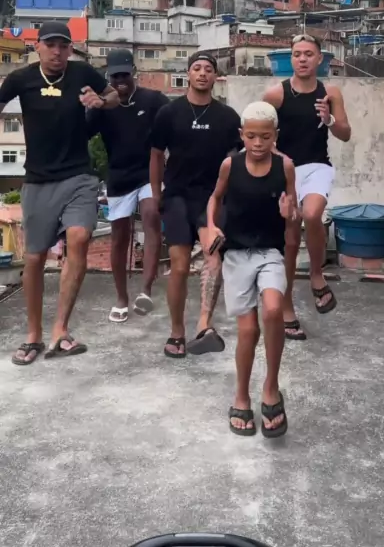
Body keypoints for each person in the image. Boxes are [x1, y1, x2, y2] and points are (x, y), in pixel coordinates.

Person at [0, 21, 120, 366]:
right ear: (37, 46)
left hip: (79, 175)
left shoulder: (82, 72)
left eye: (63, 46)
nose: (56, 51)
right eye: (50, 45)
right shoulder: (21, 78)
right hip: (38, 180)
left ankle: (60, 330)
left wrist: (101, 101)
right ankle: (33, 335)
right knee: (34, 258)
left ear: (70, 49)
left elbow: (114, 96)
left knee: (79, 237)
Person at [205, 101, 298, 438]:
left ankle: (271, 388)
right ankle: (241, 395)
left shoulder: (285, 166)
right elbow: (215, 198)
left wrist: (290, 214)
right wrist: (212, 226)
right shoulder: (230, 165)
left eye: (265, 137)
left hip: (270, 252)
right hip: (236, 254)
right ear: (242, 135)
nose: (258, 143)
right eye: (252, 136)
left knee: (273, 309)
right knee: (247, 331)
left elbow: (294, 213)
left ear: (276, 136)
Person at [150, 51, 242, 358]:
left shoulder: (228, 117)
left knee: (213, 257)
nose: (203, 73)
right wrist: (156, 194)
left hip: (211, 199)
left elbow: (237, 160)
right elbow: (156, 155)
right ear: (188, 74)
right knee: (179, 266)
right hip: (177, 196)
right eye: (197, 68)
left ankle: (204, 325)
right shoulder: (169, 113)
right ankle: (177, 332)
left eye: (208, 69)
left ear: (215, 76)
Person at [263, 34, 351, 340]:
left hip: (317, 166)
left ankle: (316, 274)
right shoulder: (276, 94)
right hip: (286, 168)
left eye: (308, 54)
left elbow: (345, 133)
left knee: (312, 215)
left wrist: (329, 119)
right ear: (291, 58)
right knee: (289, 240)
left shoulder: (330, 92)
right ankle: (287, 309)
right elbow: (259, 133)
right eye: (297, 54)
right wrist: (277, 158)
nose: (302, 59)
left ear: (319, 59)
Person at [86, 49, 169, 323]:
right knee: (119, 236)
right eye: (115, 76)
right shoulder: (102, 108)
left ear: (133, 72)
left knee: (151, 215)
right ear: (108, 77)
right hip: (119, 176)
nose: (120, 80)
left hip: (149, 172)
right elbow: (81, 132)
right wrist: (90, 106)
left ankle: (145, 291)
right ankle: (121, 298)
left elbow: (175, 123)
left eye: (124, 74)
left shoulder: (153, 100)